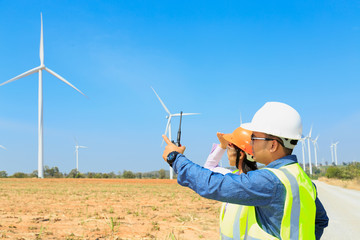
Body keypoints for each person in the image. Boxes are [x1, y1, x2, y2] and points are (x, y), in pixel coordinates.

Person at [162, 102, 328, 240]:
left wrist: (175, 158)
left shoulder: (270, 181)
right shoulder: (300, 178)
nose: (252, 143)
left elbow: (212, 185)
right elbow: (320, 220)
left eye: (255, 138)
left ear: (273, 145)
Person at [204, 127, 258, 239]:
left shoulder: (252, 183)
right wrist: (222, 146)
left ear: (241, 154)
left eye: (229, 148)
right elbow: (209, 168)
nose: (227, 153)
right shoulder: (233, 176)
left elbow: (208, 168)